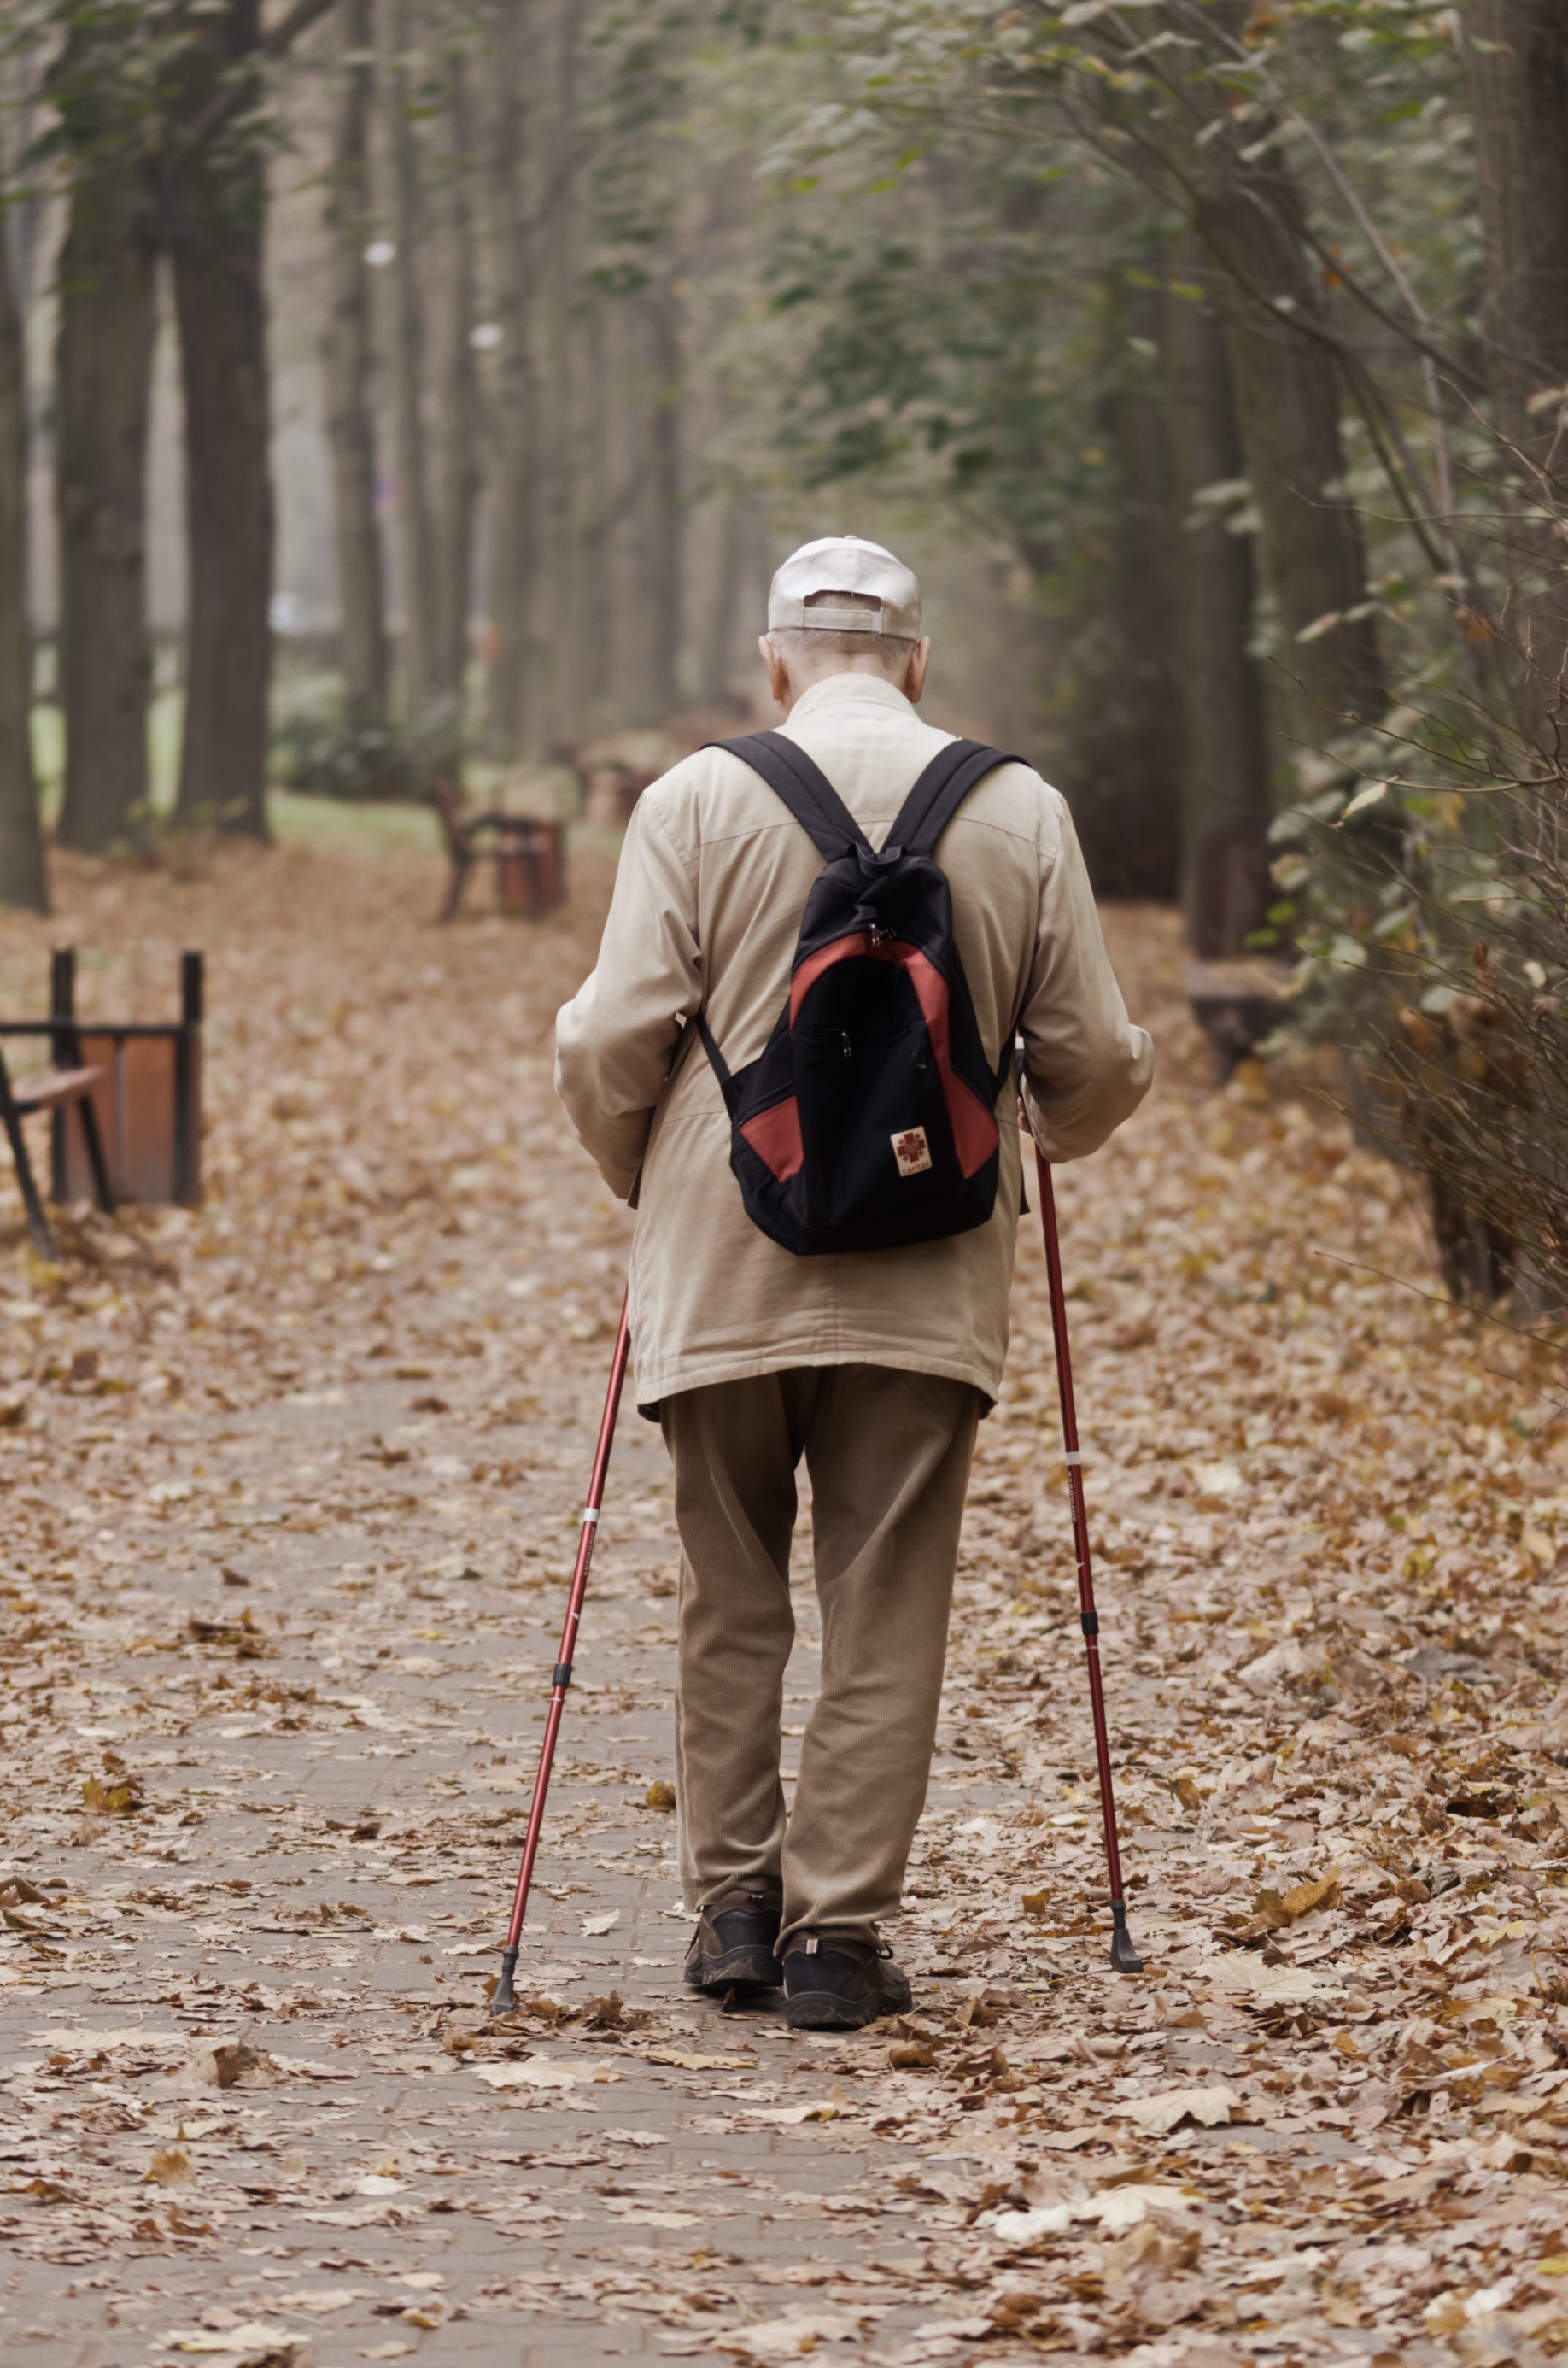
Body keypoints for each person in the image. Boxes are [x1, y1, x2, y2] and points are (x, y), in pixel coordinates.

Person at [555, 535, 1152, 2029]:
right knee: (888, 1599)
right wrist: (1040, 1137)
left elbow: (604, 1040)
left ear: (774, 660)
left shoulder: (694, 800)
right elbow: (1094, 1060)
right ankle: (840, 1941)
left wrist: (646, 1169)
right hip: (930, 1262)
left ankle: (733, 1910)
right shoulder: (1018, 808)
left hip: (723, 1252)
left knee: (729, 1590)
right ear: (918, 660)